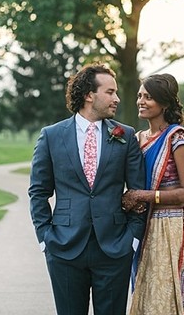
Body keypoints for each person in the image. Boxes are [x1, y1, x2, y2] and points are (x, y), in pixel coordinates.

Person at [28, 63, 147, 315]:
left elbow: (138, 192)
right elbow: (38, 192)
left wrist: (132, 239)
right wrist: (45, 239)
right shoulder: (51, 136)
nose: (116, 98)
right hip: (64, 248)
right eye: (110, 92)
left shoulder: (125, 135)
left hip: (115, 248)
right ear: (89, 95)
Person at [122, 73, 184, 315]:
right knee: (145, 293)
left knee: (164, 294)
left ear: (164, 103)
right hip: (144, 226)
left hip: (171, 227)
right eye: (140, 96)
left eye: (149, 97)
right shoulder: (138, 139)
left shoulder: (178, 139)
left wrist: (144, 196)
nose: (141, 101)